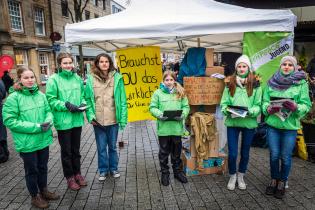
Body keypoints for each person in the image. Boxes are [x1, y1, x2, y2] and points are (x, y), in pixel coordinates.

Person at [2, 66, 59, 208]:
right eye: (26, 78)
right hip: (27, 143)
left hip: (43, 139)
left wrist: (48, 121)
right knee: (32, 170)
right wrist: (37, 127)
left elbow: (48, 111)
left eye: (32, 77)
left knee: (43, 167)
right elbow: (10, 121)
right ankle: (35, 196)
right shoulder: (14, 98)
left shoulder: (41, 95)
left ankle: (44, 190)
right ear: (20, 79)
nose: (30, 80)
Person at [263, 56, 311, 199]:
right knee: (274, 155)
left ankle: (282, 182)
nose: (287, 66)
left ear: (294, 67)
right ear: (280, 66)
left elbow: (306, 104)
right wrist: (268, 109)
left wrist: (296, 107)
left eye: (290, 64)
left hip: (290, 127)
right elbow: (264, 101)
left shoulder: (301, 83)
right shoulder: (271, 82)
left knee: (285, 157)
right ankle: (274, 179)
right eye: (284, 64)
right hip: (273, 125)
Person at [46, 53, 87, 191]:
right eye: (65, 63)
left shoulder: (77, 78)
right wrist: (66, 105)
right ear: (60, 64)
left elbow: (83, 94)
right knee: (66, 152)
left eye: (70, 62)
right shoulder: (54, 79)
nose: (68, 65)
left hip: (76, 120)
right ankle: (69, 177)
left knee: (76, 150)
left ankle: (78, 174)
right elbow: (51, 100)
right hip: (63, 121)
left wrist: (82, 104)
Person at [220, 55, 262, 191]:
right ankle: (232, 175)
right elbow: (224, 103)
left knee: (245, 152)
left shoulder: (256, 84)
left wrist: (251, 111)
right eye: (239, 66)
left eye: (244, 66)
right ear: (236, 68)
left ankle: (241, 175)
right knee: (232, 153)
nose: (242, 68)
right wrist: (227, 110)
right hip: (233, 122)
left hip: (248, 123)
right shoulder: (229, 83)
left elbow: (258, 105)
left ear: (248, 68)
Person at [85, 53, 128, 181]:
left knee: (113, 147)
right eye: (101, 61)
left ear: (110, 63)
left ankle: (113, 168)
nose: (104, 64)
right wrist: (90, 116)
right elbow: (88, 99)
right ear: (97, 64)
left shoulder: (117, 78)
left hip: (113, 119)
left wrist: (123, 118)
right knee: (101, 147)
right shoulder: (90, 79)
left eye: (106, 61)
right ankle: (103, 170)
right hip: (98, 121)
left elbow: (123, 100)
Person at [149, 70, 190, 186]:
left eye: (171, 79)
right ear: (163, 81)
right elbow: (152, 108)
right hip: (164, 129)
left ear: (174, 80)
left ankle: (178, 172)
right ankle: (165, 173)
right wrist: (159, 114)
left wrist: (183, 115)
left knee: (177, 152)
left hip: (176, 128)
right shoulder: (157, 93)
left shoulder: (180, 92)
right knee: (163, 152)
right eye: (166, 80)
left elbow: (186, 107)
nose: (169, 82)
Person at [0, 78, 9, 163]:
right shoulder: (1, 81)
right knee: (2, 132)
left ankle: (2, 154)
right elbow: (4, 94)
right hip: (0, 108)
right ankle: (5, 152)